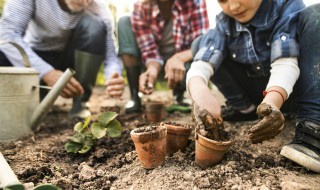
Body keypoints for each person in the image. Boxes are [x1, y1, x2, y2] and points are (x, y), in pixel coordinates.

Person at [187, 0, 320, 173]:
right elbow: (201, 65)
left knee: (316, 15)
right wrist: (201, 93)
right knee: (200, 44)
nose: (233, 7)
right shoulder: (224, 23)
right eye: (222, 0)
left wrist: (272, 101)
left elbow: (285, 63)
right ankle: (246, 109)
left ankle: (313, 125)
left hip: (293, 91)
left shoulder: (287, 6)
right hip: (260, 98)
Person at [0, 0, 124, 118]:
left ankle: (80, 103)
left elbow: (111, 56)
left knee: (94, 25)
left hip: (71, 61)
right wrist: (46, 73)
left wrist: (114, 75)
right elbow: (7, 35)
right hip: (36, 58)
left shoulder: (99, 8)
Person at [117, 0, 209, 114]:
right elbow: (149, 51)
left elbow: (202, 45)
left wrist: (178, 58)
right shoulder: (141, 7)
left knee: (200, 57)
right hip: (153, 66)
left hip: (183, 66)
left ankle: (179, 94)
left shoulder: (195, 2)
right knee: (124, 21)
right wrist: (152, 69)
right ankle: (135, 95)